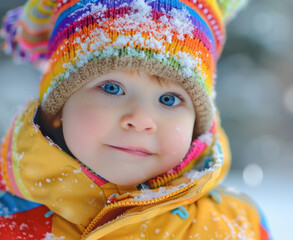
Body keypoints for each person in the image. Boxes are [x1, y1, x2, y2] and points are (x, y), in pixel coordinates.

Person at [0, 0, 271, 239]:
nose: (141, 120)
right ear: (58, 108)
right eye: (112, 88)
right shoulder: (8, 220)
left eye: (169, 99)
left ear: (196, 125)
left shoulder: (236, 226)